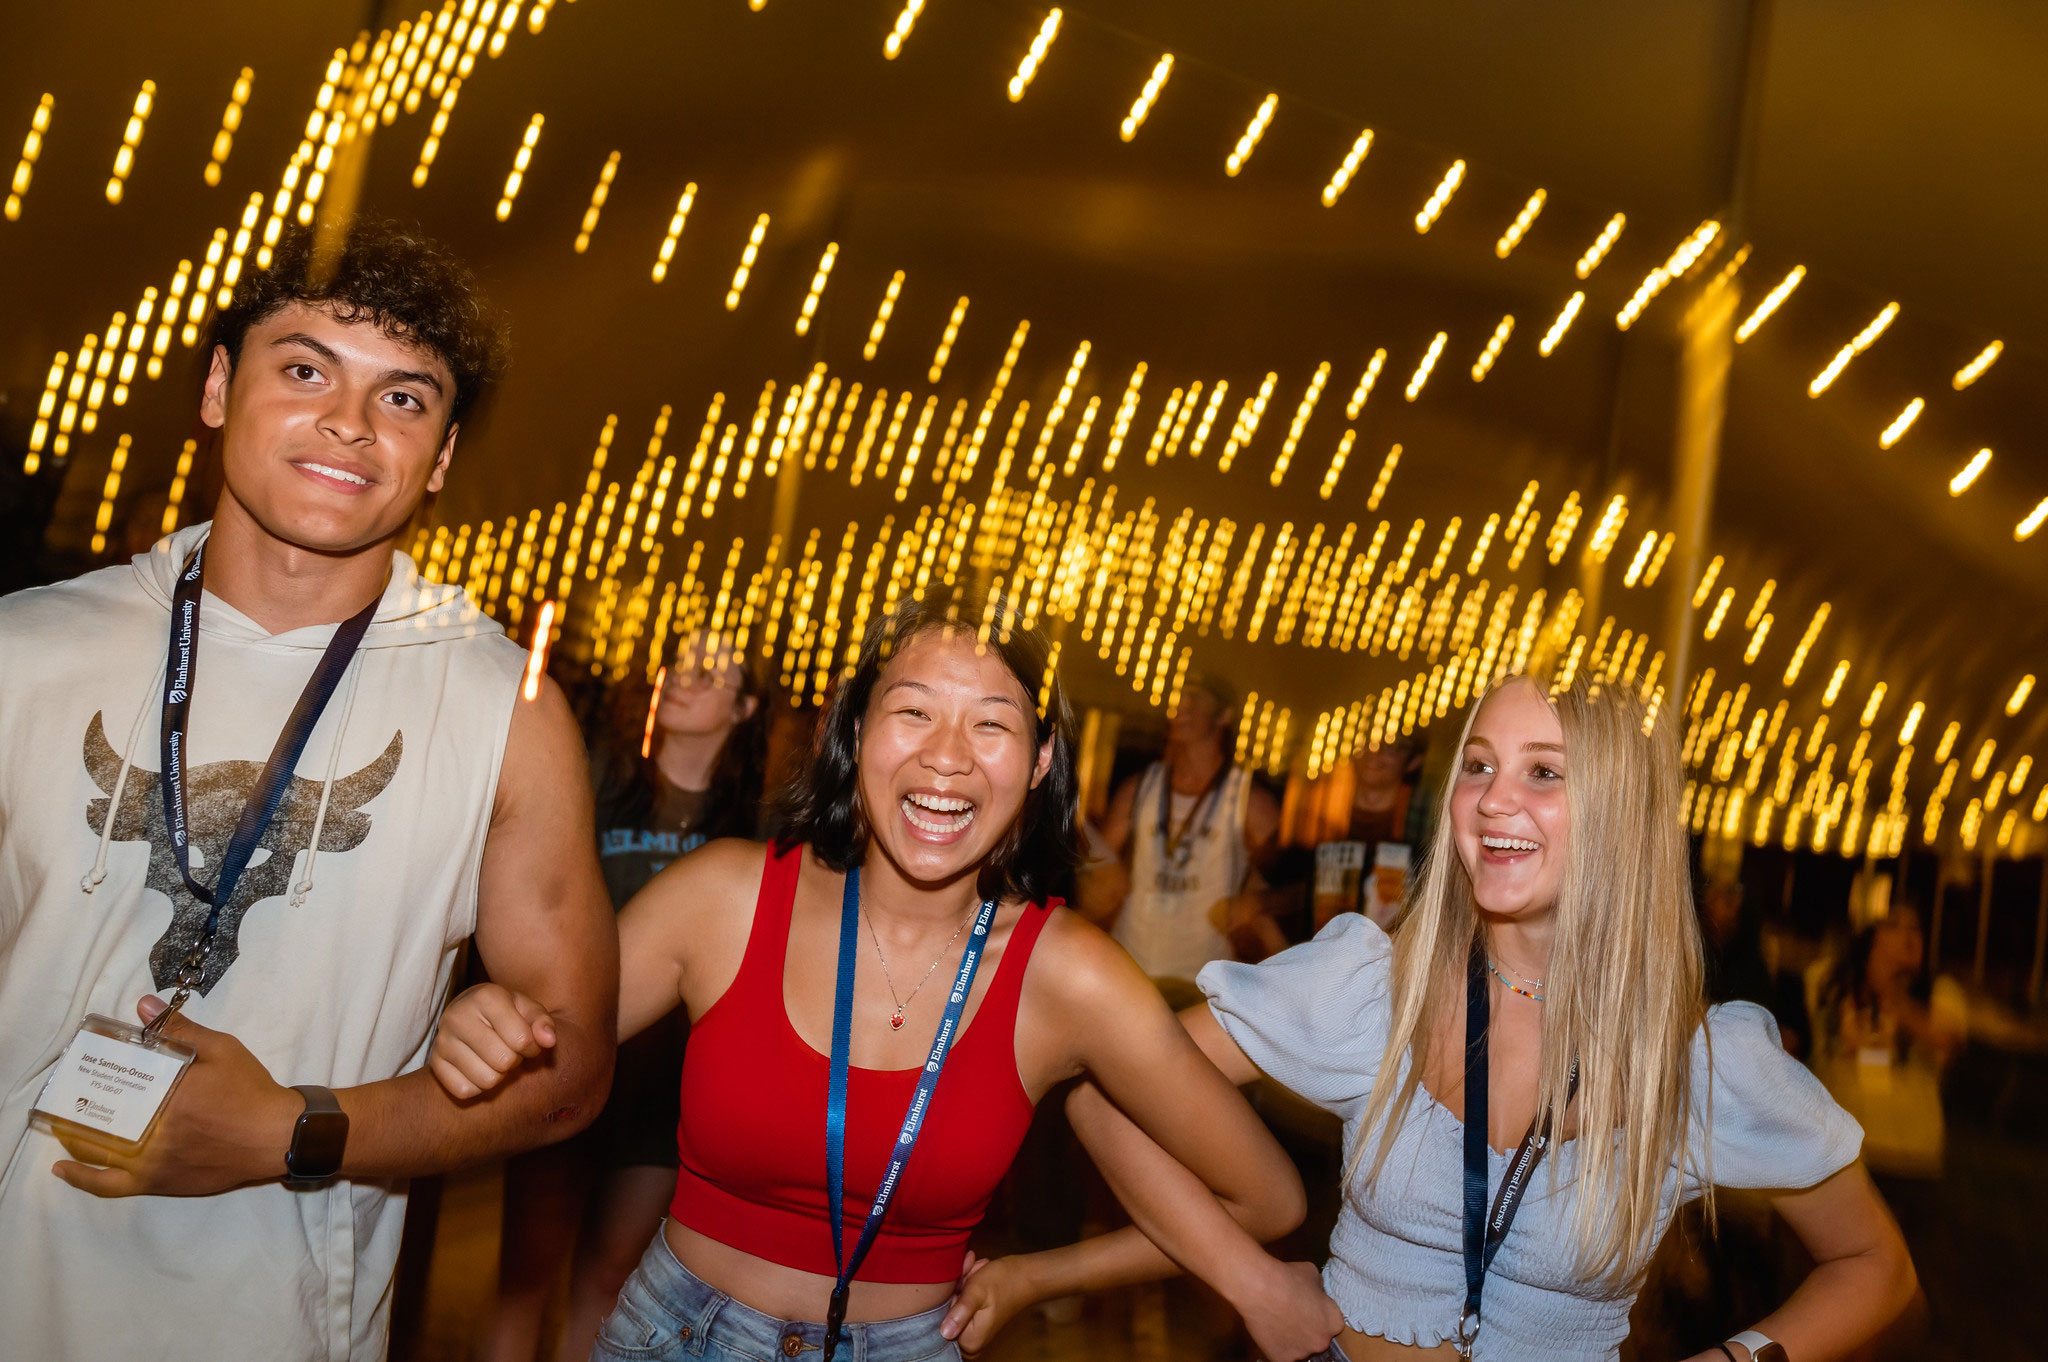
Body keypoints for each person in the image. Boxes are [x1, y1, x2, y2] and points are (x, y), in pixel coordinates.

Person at [0, 221, 618, 1361]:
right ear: (217, 388)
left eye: (403, 397)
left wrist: (293, 1131)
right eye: (304, 370)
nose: (349, 421)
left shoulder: (503, 712)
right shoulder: (23, 652)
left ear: (440, 456)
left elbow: (570, 1073)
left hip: (283, 1324)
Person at [429, 593, 1343, 1362]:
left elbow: (1266, 1198)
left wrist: (1038, 1276)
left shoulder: (1070, 977)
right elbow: (547, 1046)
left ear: (1040, 762)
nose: (947, 754)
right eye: (914, 711)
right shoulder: (724, 899)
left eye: (993, 723)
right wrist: (482, 1021)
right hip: (676, 1335)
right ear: (858, 729)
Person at [958, 674, 1918, 1361]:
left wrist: (1738, 1359)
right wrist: (1248, 1283)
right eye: (1479, 766)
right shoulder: (1373, 990)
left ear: (1621, 815)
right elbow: (1107, 1098)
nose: (1494, 799)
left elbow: (1876, 1264)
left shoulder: (1697, 1060)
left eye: (1544, 773)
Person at [483, 631, 768, 1362]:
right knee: (523, 1282)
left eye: (712, 672)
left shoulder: (749, 830)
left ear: (744, 708)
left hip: (666, 1094)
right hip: (564, 1065)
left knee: (609, 1282)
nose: (684, 677)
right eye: (680, 661)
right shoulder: (598, 783)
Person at [1081, 672, 1284, 999]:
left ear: (1224, 715)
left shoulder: (1249, 800)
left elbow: (1283, 891)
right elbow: (1096, 874)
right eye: (1178, 697)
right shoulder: (1139, 788)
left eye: (1195, 697)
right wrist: (1098, 882)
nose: (1181, 706)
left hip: (1201, 981)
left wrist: (1254, 903)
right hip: (1132, 968)